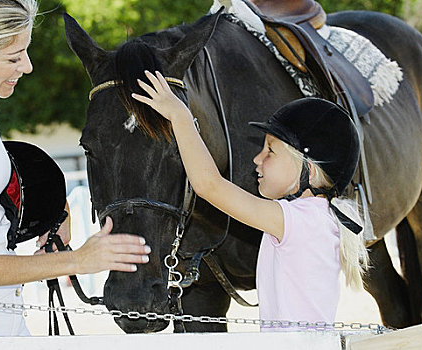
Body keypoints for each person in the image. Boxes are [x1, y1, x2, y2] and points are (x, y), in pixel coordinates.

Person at [0, 0, 150, 336]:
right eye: (13, 58)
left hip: (8, 314)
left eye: (25, 52)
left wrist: (55, 209)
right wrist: (78, 260)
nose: (28, 66)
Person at [133, 71, 369, 331]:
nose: (257, 159)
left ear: (308, 171)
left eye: (270, 150)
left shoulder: (299, 220)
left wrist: (180, 117)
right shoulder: (316, 218)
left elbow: (208, 185)